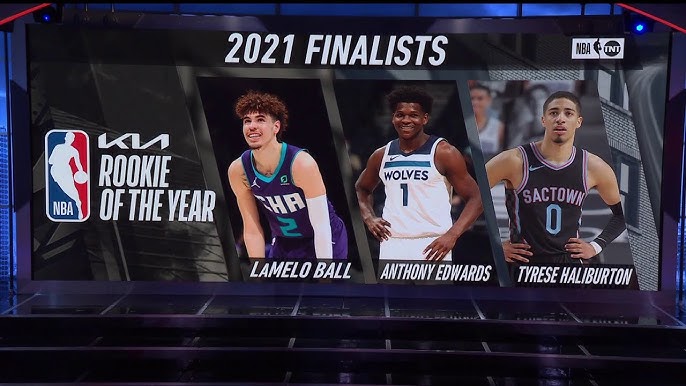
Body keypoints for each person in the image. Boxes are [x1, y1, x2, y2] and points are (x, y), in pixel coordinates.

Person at [485, 90, 626, 265]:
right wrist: (493, 244)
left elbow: (623, 215)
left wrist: (597, 245)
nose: (560, 118)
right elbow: (472, 195)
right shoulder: (513, 160)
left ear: (578, 122)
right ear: (543, 120)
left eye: (568, 113)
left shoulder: (594, 166)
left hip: (568, 265)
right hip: (522, 264)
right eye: (553, 113)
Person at [355, 85, 483, 262]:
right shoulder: (381, 155)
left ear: (425, 119)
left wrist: (452, 235)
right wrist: (369, 218)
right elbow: (361, 188)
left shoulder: (444, 152)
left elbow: (477, 198)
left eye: (413, 115)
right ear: (393, 118)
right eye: (400, 115)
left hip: (433, 243)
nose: (406, 120)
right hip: (392, 243)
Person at [227, 90, 347, 259]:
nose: (252, 126)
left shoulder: (302, 164)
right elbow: (252, 229)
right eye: (247, 121)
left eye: (260, 120)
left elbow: (321, 226)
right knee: (268, 285)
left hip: (325, 237)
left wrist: (324, 274)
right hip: (284, 241)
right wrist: (258, 274)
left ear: (276, 127)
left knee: (326, 285)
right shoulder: (238, 170)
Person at [48, 131, 86, 219]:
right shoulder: (58, 147)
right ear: (65, 138)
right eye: (69, 138)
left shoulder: (74, 151)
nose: (70, 140)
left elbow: (78, 164)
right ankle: (77, 203)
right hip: (56, 171)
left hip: (65, 171)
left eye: (71, 138)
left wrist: (81, 172)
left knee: (72, 189)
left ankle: (79, 206)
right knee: (60, 189)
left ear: (73, 140)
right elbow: (50, 161)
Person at [470, 82, 505, 162]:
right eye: (472, 98)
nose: (475, 102)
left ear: (489, 101)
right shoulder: (462, 124)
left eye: (480, 98)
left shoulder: (499, 127)